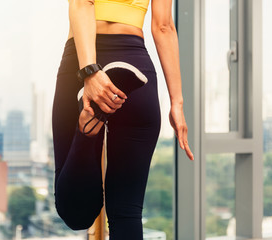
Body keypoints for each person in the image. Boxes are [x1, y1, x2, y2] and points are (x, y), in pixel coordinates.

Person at [52, 0, 194, 238]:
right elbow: (163, 26)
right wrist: (176, 103)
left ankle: (87, 129)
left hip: (81, 60)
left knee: (76, 214)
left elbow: (82, 3)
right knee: (127, 213)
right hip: (135, 64)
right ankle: (92, 120)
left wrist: (90, 73)